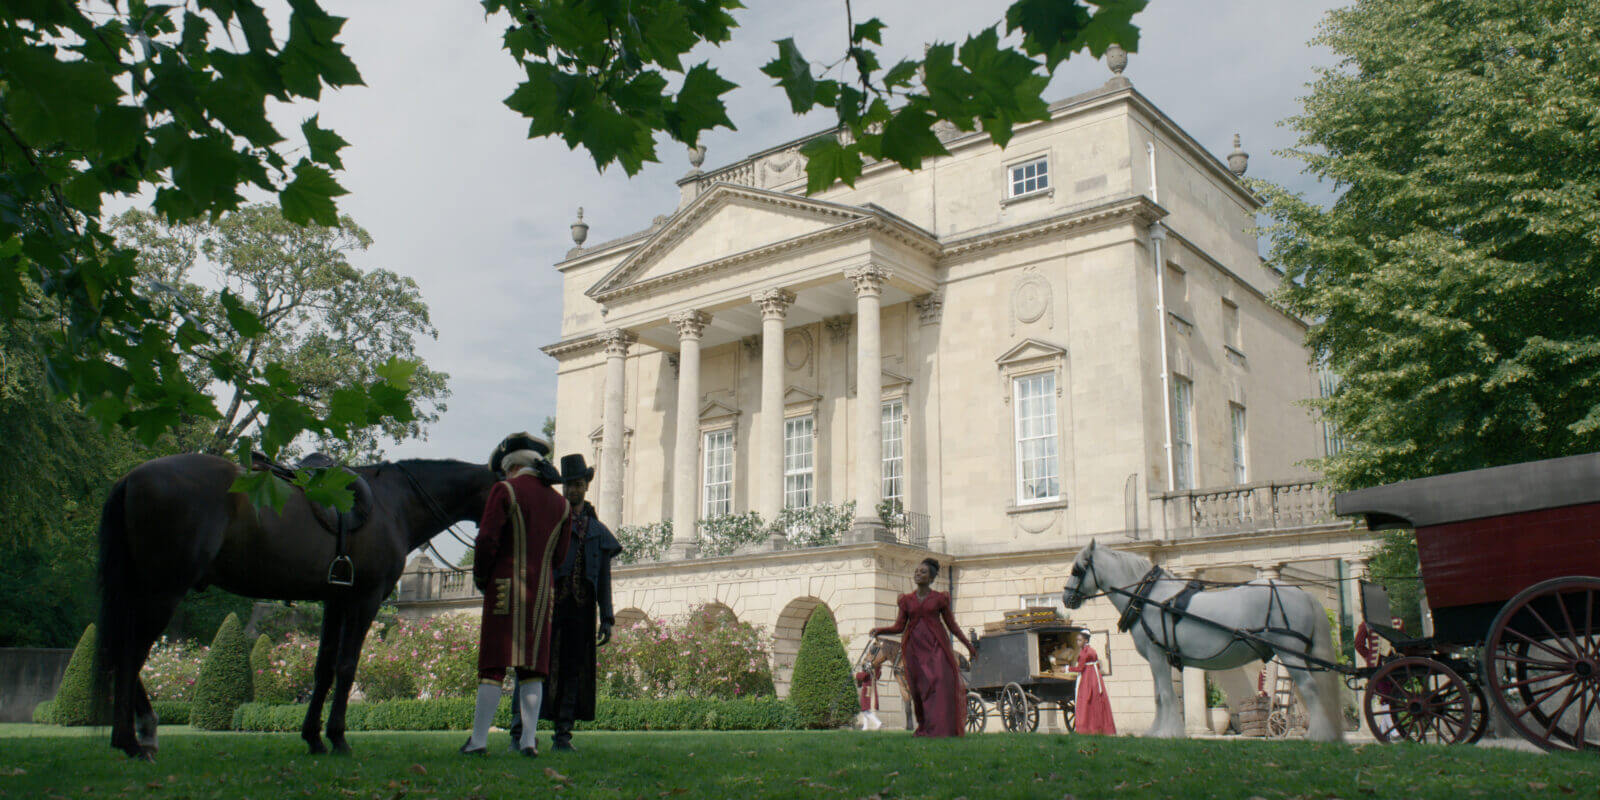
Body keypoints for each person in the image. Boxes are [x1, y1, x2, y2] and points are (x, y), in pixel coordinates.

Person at [461, 437, 571, 757]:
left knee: (493, 666)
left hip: (504, 589)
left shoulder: (505, 491)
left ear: (512, 467)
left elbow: (486, 541)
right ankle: (528, 741)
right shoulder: (561, 505)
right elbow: (560, 557)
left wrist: (482, 576)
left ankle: (479, 740)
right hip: (541, 595)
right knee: (533, 668)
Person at [508, 454, 620, 753]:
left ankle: (563, 735)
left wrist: (607, 618)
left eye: (578, 484)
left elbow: (604, 579)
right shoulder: (551, 522)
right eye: (569, 484)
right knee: (533, 665)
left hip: (581, 611)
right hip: (549, 604)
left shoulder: (598, 531)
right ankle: (519, 731)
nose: (573, 490)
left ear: (586, 486)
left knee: (573, 671)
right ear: (563, 487)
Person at [869, 557, 977, 737]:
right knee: (919, 689)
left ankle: (943, 728)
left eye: (923, 572)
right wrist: (880, 630)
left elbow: (952, 626)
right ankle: (925, 727)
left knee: (940, 685)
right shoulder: (906, 600)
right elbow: (899, 627)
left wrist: (968, 646)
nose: (918, 574)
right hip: (913, 648)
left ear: (932, 577)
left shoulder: (940, 599)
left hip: (936, 646)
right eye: (917, 571)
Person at [1068, 629, 1116, 735]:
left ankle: (1087, 728)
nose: (1077, 642)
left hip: (1088, 678)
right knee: (1096, 702)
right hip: (1094, 676)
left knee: (1086, 701)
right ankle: (1099, 727)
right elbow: (1097, 664)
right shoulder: (1092, 650)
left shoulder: (1084, 653)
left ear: (1085, 640)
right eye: (1077, 640)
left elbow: (1080, 668)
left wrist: (1067, 669)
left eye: (1079, 640)